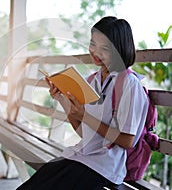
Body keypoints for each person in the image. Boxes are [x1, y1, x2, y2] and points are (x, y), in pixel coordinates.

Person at [16, 16, 149, 189]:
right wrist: (62, 99)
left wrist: (85, 116)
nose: (96, 52)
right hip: (82, 157)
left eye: (105, 48)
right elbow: (84, 134)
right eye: (93, 44)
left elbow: (126, 141)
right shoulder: (93, 80)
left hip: (104, 167)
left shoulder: (129, 85)